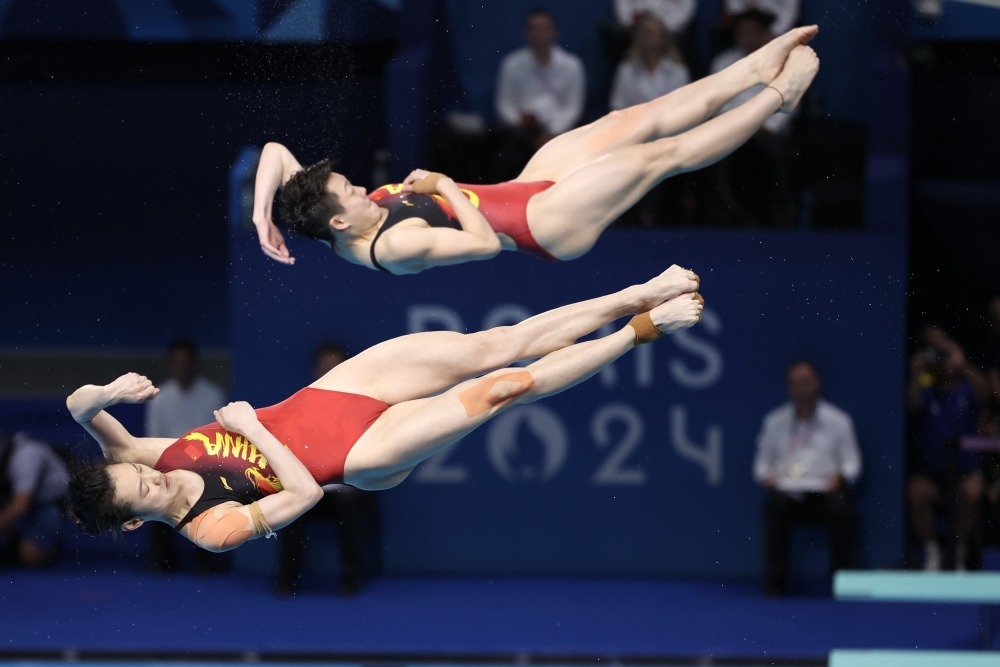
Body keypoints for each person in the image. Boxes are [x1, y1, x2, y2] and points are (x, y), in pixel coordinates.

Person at [66, 266, 703, 552]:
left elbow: (76, 403)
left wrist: (111, 395)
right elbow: (303, 497)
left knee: (491, 345)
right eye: (144, 489)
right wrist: (254, 426)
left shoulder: (133, 454)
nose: (153, 474)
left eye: (140, 470)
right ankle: (641, 330)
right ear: (130, 523)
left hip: (331, 395)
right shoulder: (210, 530)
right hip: (356, 457)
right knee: (503, 387)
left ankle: (633, 292)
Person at [252, 26, 820, 275]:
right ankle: (776, 96)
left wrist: (261, 220)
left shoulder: (333, 217)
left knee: (633, 119)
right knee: (659, 156)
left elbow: (275, 151)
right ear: (338, 220)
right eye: (346, 192)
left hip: (522, 189)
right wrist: (445, 185)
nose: (356, 185)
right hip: (545, 226)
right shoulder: (392, 245)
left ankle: (754, 64)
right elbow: (478, 245)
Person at [275, 343, 379, 597]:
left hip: (347, 491)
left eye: (335, 366)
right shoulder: (298, 405)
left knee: (352, 507)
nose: (330, 371)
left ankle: (351, 578)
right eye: (324, 367)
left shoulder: (362, 406)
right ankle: (287, 579)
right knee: (290, 507)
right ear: (315, 370)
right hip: (311, 489)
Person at [752, 360, 861, 596]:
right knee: (776, 507)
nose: (801, 389)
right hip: (788, 493)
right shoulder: (774, 421)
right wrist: (767, 477)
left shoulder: (839, 421)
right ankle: (775, 584)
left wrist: (840, 476)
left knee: (842, 509)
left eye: (806, 382)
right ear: (789, 387)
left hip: (826, 494)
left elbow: (853, 464)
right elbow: (761, 465)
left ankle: (841, 583)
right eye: (795, 384)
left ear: (817, 384)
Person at [907, 325, 989, 570]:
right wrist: (917, 370)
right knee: (916, 492)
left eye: (944, 348)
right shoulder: (928, 388)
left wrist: (962, 363)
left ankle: (957, 551)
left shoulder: (968, 387)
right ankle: (932, 551)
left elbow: (987, 394)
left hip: (965, 469)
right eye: (935, 350)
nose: (942, 356)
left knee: (973, 492)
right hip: (933, 472)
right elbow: (911, 404)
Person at [144, 338, 229, 573]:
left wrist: (192, 462)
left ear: (194, 363)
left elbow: (215, 439)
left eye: (186, 362)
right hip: (168, 465)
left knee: (211, 493)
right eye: (177, 362)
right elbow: (153, 439)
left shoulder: (212, 394)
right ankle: (163, 560)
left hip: (206, 466)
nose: (182, 367)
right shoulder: (159, 398)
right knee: (152, 496)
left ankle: (207, 557)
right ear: (171, 364)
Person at [708, 9, 796, 227]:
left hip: (770, 134)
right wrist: (742, 126)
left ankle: (775, 216)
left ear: (765, 33)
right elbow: (716, 104)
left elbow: (789, 105)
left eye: (753, 31)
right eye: (743, 31)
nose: (748, 36)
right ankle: (726, 216)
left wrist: (757, 126)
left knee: (771, 151)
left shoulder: (783, 64)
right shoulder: (724, 62)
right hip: (731, 132)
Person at [493, 9, 586, 179]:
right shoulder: (512, 65)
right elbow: (505, 105)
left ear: (553, 32)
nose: (540, 35)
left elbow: (573, 107)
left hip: (560, 134)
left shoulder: (572, 65)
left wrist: (552, 133)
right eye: (535, 29)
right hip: (523, 135)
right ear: (527, 34)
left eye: (544, 29)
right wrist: (526, 129)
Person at [0, 431, 70, 567]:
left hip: (46, 504)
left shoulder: (26, 456)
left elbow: (20, 506)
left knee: (30, 555)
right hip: (14, 501)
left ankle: (43, 545)